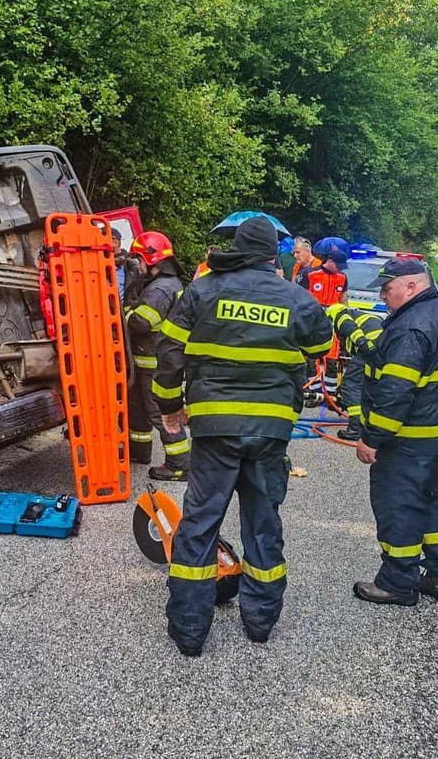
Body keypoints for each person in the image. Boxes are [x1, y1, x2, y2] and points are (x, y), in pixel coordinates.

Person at [154, 216, 333, 656]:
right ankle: (260, 623)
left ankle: (190, 632)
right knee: (262, 523)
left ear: (237, 245)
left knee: (199, 524)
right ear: (276, 255)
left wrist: (169, 406)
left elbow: (168, 349)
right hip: (270, 431)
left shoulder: (203, 289)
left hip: (215, 427)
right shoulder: (296, 297)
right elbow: (319, 347)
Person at [352, 257, 438, 606]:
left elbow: (395, 393)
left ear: (412, 286)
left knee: (399, 506)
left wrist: (372, 438)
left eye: (387, 290)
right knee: (434, 503)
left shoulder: (409, 329)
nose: (383, 297)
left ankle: (397, 582)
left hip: (412, 440)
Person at [125, 231, 191, 481]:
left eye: (138, 260)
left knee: (160, 414)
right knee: (139, 411)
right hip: (147, 361)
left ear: (150, 260)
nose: (136, 265)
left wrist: (126, 309)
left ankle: (179, 463)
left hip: (155, 364)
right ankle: (140, 451)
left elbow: (141, 322)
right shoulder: (161, 284)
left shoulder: (161, 289)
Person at [325, 302, 385, 441]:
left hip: (370, 347)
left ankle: (356, 428)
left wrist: (364, 344)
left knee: (350, 384)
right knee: (369, 386)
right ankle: (370, 424)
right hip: (384, 347)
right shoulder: (360, 315)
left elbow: (351, 329)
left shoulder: (339, 316)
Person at [303, 245, 349, 404]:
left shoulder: (342, 278)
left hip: (333, 322)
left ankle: (329, 396)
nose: (340, 270)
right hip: (313, 321)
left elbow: (344, 300)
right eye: (338, 265)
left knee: (332, 360)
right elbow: (299, 296)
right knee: (311, 358)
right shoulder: (310, 274)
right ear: (329, 261)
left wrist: (345, 320)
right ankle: (314, 394)